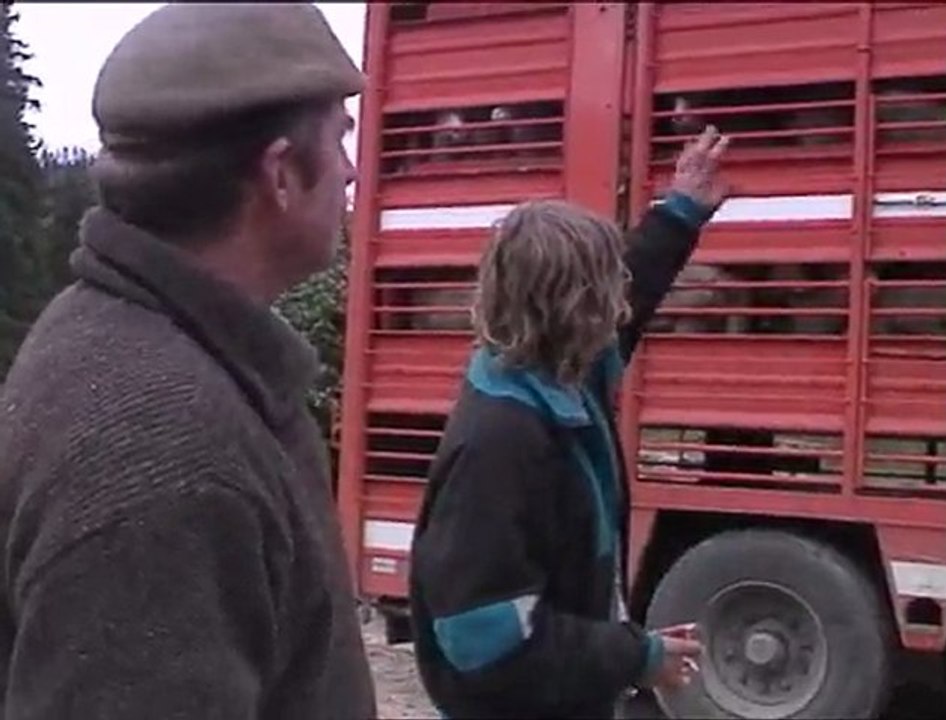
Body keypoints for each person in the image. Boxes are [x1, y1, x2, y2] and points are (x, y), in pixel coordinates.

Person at [0, 4, 376, 719]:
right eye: (340, 139)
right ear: (282, 175)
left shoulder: (116, 335)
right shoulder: (169, 456)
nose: (354, 173)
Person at [409, 126, 731, 719]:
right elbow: (485, 642)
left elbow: (635, 289)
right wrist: (636, 656)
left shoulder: (560, 375)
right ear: (576, 308)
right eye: (606, 288)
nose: (619, 300)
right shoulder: (500, 445)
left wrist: (682, 210)